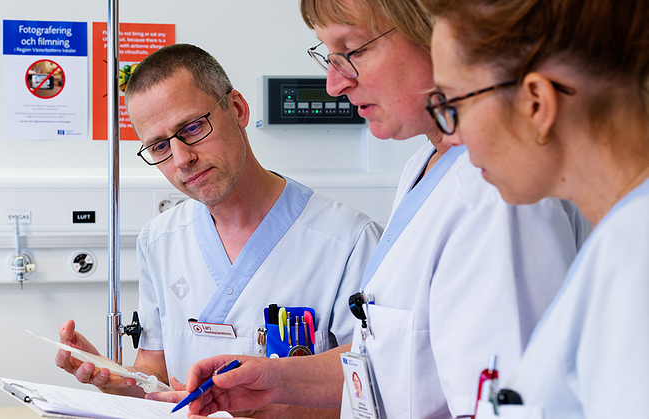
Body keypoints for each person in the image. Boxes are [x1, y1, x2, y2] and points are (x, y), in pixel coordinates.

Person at [152, 1, 589, 418]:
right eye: (328, 56)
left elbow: (510, 400)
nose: (334, 82)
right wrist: (275, 380)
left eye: (351, 50)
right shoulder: (423, 167)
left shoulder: (499, 193)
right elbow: (397, 361)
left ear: (436, 32)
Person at [55, 43, 383, 417]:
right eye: (159, 146)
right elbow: (155, 373)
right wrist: (119, 382)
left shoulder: (350, 242)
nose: (181, 159)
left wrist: (268, 410)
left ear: (238, 109)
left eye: (192, 128)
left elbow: (377, 390)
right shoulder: (158, 240)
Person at [424, 0, 649, 417]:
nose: (450, 136)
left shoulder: (634, 254)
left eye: (454, 104)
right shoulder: (619, 242)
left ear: (536, 103)